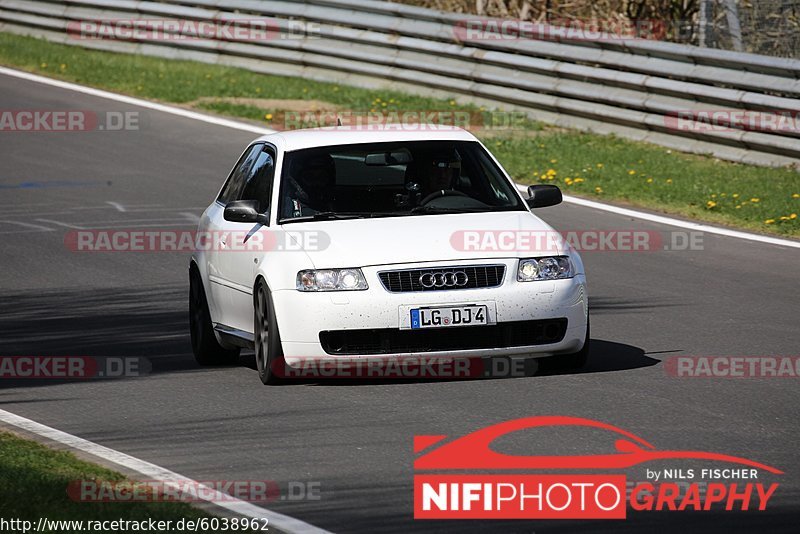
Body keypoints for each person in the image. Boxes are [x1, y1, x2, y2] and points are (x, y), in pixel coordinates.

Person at [283, 151, 336, 218]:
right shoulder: (284, 207)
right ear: (297, 181)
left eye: (322, 177)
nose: (316, 183)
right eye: (309, 177)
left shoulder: (342, 205)